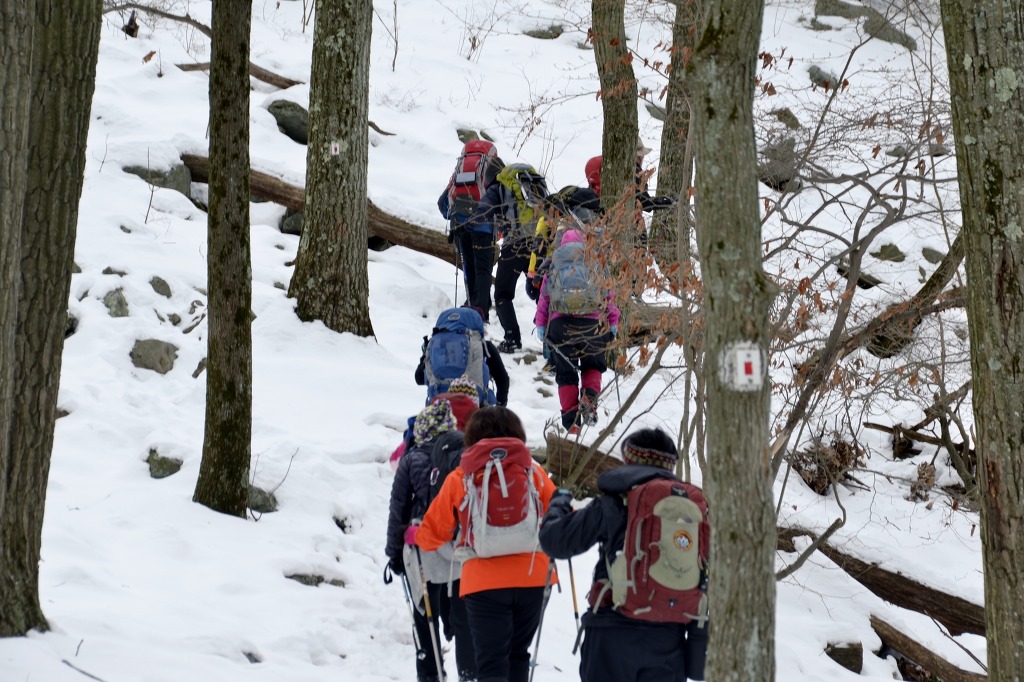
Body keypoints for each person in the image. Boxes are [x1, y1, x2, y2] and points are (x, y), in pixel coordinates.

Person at [538, 428, 709, 682]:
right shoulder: (692, 513)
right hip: (669, 639)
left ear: (628, 460)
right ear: (671, 465)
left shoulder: (615, 502)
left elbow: (555, 542)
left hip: (612, 632)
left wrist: (558, 506)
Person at [409, 406, 559, 682]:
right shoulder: (534, 472)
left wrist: (415, 535)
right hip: (534, 577)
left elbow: (433, 533)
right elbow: (563, 520)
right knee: (518, 655)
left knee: (490, 664)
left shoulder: (462, 476)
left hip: (483, 583)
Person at [385, 400, 478, 682]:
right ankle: (469, 673)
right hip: (458, 545)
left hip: (422, 546)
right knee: (464, 618)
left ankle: (431, 673)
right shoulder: (465, 455)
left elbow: (398, 507)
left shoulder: (412, 458)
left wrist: (394, 554)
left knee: (424, 615)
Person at [534, 229, 620, 432]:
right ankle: (589, 398)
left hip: (561, 326)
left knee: (566, 373)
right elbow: (609, 295)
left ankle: (571, 423)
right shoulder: (596, 261)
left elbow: (544, 299)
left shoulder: (555, 262)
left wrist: (541, 325)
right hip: (593, 325)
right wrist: (613, 322)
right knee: (593, 365)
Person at [467, 163, 549, 353]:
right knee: (542, 292)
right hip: (539, 246)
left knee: (502, 294)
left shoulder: (498, 186)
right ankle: (550, 342)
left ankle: (512, 339)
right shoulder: (531, 182)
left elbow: (483, 211)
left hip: (515, 246)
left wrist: (468, 226)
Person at [438, 141, 506, 319]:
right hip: (484, 227)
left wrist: (454, 216)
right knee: (483, 269)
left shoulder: (461, 170)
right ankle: (481, 310)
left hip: (460, 225)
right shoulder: (493, 168)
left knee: (468, 265)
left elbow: (442, 203)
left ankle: (472, 304)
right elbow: (501, 198)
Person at [415, 306, 510, 407]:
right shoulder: (484, 346)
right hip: (474, 410)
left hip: (439, 408)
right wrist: (500, 405)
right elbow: (503, 380)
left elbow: (419, 378)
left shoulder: (437, 346)